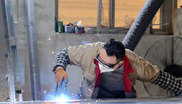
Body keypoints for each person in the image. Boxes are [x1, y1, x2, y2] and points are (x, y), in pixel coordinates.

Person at [53, 38, 182, 99]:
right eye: (99, 60)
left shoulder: (135, 63)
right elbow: (63, 53)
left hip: (121, 103)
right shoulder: (90, 51)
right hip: (90, 100)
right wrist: (59, 68)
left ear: (119, 64)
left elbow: (160, 77)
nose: (100, 65)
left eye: (106, 64)